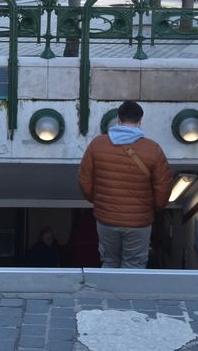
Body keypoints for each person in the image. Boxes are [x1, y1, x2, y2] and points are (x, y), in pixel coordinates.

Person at [77, 100, 171, 269]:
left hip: (106, 219)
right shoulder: (153, 149)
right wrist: (155, 208)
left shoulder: (97, 144)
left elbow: (84, 180)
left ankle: (108, 287)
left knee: (109, 261)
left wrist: (98, 200)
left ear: (118, 119)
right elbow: (163, 187)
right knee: (134, 265)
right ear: (140, 121)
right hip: (138, 221)